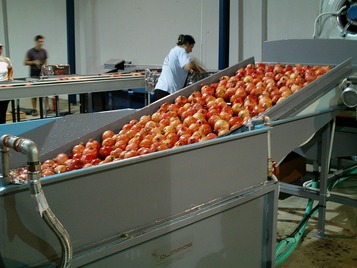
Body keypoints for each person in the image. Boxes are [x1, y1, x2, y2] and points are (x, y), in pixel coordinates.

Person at [154, 34, 205, 100]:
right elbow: (188, 66)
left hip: (161, 88)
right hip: (168, 90)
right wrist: (200, 71)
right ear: (187, 44)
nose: (191, 50)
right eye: (191, 47)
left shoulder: (174, 51)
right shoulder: (181, 51)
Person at [24, 35, 51, 116]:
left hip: (42, 74)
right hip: (33, 74)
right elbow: (25, 62)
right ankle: (34, 109)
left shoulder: (44, 51)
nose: (41, 43)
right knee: (34, 92)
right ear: (36, 42)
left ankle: (47, 108)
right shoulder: (30, 52)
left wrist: (46, 69)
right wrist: (34, 62)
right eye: (39, 41)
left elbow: (46, 61)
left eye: (42, 41)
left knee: (44, 91)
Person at [0, 43, 13, 124]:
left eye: (1, 48)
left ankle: (2, 128)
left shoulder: (6, 60)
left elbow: (10, 69)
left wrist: (10, 78)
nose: (0, 50)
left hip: (4, 88)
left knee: (3, 110)